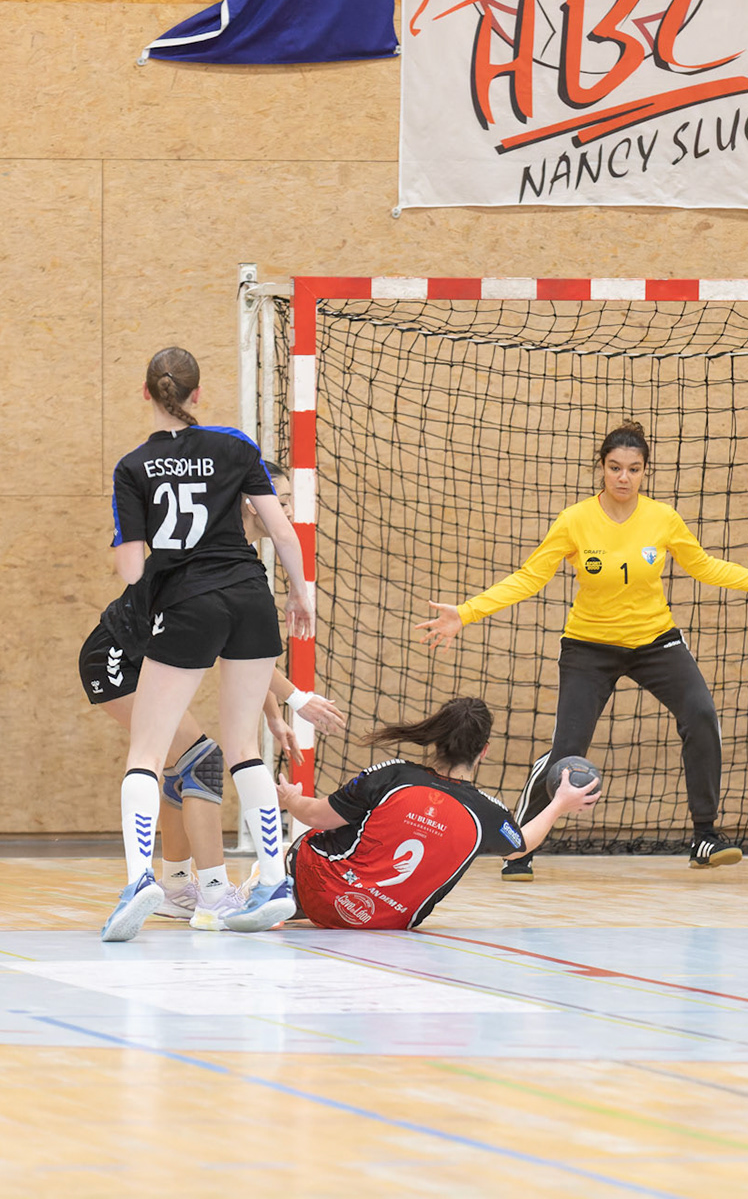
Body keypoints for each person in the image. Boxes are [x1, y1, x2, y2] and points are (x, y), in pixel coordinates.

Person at [417, 421, 748, 877]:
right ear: (602, 468)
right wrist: (465, 612)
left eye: (633, 468)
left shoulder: (662, 519)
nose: (623, 477)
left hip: (656, 643)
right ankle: (519, 847)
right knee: (567, 751)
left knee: (702, 715)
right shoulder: (575, 521)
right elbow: (528, 578)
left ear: (645, 471)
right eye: (614, 467)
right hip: (589, 648)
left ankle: (705, 836)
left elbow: (705, 567)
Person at [100, 348, 314, 942]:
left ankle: (142, 882)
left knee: (147, 752)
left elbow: (131, 569)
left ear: (146, 393)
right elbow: (280, 528)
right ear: (197, 394)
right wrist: (299, 595)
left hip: (188, 603)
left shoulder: (132, 466)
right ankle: (273, 879)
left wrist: (142, 557)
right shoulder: (236, 446)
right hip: (250, 596)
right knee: (243, 745)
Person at [78, 463, 345, 929]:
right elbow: (229, 644)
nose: (287, 511)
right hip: (116, 660)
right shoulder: (211, 556)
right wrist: (296, 698)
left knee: (182, 765)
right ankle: (214, 893)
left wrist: (273, 714)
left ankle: (177, 886)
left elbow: (243, 652)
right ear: (252, 503)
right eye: (281, 500)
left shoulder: (239, 558)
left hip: (148, 657)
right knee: (200, 760)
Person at [275, 698, 601, 930]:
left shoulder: (392, 775)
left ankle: (277, 892)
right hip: (391, 922)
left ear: (436, 740)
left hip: (320, 897)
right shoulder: (488, 814)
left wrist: (291, 799)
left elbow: (316, 816)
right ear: (484, 751)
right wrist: (559, 804)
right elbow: (521, 846)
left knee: (326, 832)